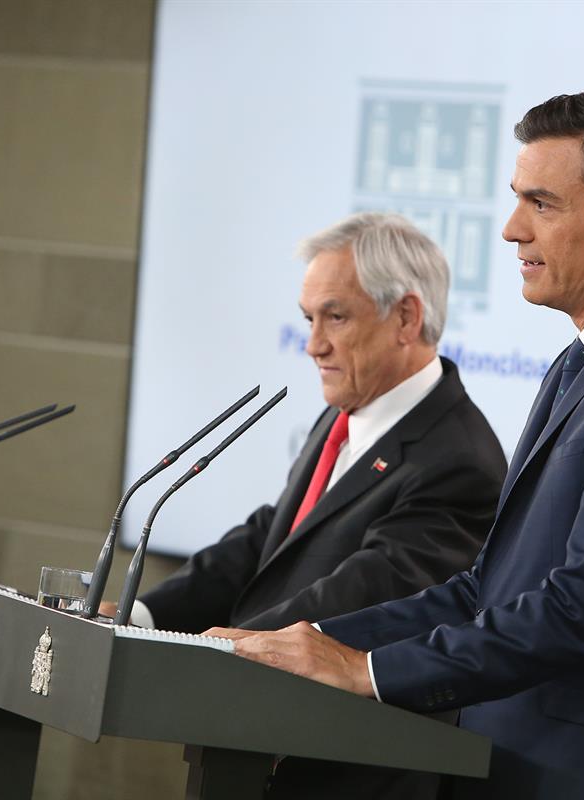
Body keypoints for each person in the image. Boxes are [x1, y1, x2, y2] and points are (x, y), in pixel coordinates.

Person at [215, 91, 584, 800]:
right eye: (516, 201)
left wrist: (366, 670)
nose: (511, 230)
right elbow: (487, 590)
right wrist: (307, 639)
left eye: (542, 204)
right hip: (505, 763)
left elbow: (580, 609)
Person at [111, 211, 507, 798]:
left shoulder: (458, 459)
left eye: (335, 317)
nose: (313, 344)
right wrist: (138, 618)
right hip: (272, 745)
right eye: (308, 319)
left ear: (405, 317)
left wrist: (220, 650)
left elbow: (364, 592)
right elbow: (273, 538)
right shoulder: (347, 412)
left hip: (353, 774)